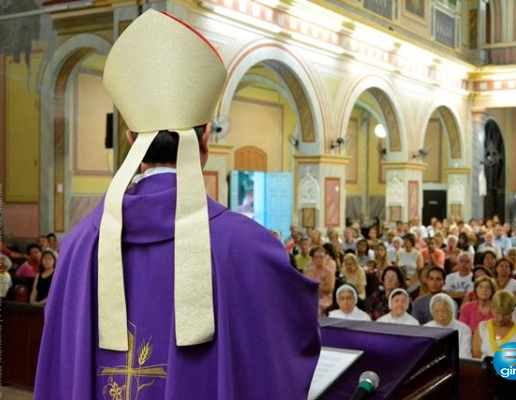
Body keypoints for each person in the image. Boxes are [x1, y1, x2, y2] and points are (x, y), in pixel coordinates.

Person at [34, 10, 320, 399]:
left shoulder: (78, 245)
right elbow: (288, 344)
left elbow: (59, 362)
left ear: (132, 137)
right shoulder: (249, 247)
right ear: (204, 141)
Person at [472, 290, 516, 399]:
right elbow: (476, 357)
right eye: (497, 313)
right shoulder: (482, 328)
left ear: (512, 311)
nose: (500, 318)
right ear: (492, 308)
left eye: (505, 314)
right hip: (486, 373)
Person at [424, 293, 472, 359]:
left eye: (444, 310)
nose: (440, 315)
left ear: (451, 311)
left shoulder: (463, 329)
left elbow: (464, 356)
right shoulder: (425, 329)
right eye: (436, 311)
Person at [304, 247, 336, 316]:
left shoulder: (329, 272)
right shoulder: (307, 271)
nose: (318, 259)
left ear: (325, 259)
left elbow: (329, 289)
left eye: (321, 257)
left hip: (323, 298)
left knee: (314, 306)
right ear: (313, 259)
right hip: (309, 296)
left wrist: (314, 286)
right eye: (316, 257)